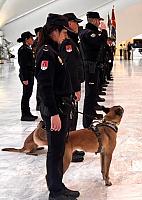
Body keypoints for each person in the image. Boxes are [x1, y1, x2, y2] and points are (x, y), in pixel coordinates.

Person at [35, 13, 79, 200]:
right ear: (54, 31)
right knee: (55, 151)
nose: (65, 36)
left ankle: (58, 185)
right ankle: (55, 191)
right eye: (63, 32)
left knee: (59, 149)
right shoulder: (46, 52)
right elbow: (45, 87)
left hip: (60, 108)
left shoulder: (53, 50)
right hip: (55, 110)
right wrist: (53, 114)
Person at [62, 12, 85, 163]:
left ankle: (72, 147)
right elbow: (71, 68)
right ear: (69, 24)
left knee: (72, 119)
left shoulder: (72, 40)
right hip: (69, 88)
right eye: (75, 23)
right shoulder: (68, 43)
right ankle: (69, 149)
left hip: (70, 87)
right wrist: (76, 88)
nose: (77, 25)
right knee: (70, 120)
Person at [79, 11, 107, 128]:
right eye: (98, 20)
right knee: (90, 94)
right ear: (94, 20)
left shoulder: (91, 32)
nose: (100, 22)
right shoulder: (88, 33)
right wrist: (104, 31)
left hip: (93, 66)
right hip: (90, 66)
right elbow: (99, 41)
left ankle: (90, 117)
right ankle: (87, 122)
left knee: (93, 93)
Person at [17, 31, 38, 121]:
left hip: (29, 74)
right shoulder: (23, 50)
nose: (33, 40)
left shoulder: (27, 48)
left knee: (28, 94)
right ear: (26, 39)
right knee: (26, 95)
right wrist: (24, 78)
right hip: (26, 75)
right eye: (31, 38)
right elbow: (23, 65)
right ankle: (25, 114)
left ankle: (27, 113)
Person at [33, 27, 43, 111]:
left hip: (40, 66)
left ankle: (40, 104)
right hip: (38, 66)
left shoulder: (40, 41)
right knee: (40, 86)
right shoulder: (36, 42)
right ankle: (39, 104)